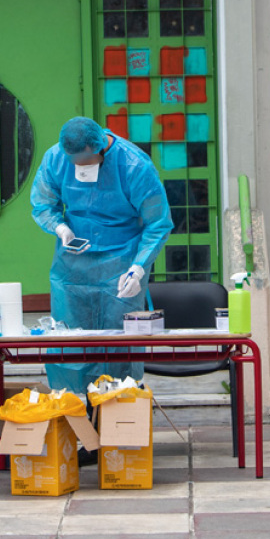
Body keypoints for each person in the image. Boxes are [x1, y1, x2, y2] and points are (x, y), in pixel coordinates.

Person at [30, 117, 172, 401]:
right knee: (70, 344)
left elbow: (157, 223)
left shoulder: (133, 166)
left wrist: (138, 268)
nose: (78, 168)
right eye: (74, 163)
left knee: (119, 347)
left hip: (121, 264)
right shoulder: (56, 158)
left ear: (100, 149)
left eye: (84, 161)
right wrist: (60, 227)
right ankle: (78, 419)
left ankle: (119, 424)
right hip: (72, 268)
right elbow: (43, 202)